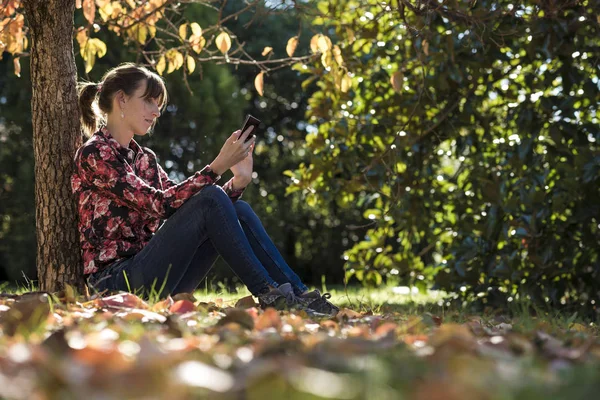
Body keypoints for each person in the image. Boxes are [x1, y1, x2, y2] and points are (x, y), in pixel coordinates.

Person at [71, 62, 339, 317]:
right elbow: (162, 205)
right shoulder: (96, 153)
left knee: (238, 209)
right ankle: (272, 297)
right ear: (122, 99)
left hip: (155, 276)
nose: (157, 111)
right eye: (149, 101)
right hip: (116, 284)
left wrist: (237, 184)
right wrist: (218, 166)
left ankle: (300, 296)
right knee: (212, 197)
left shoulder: (145, 158)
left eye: (159, 104)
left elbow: (186, 207)